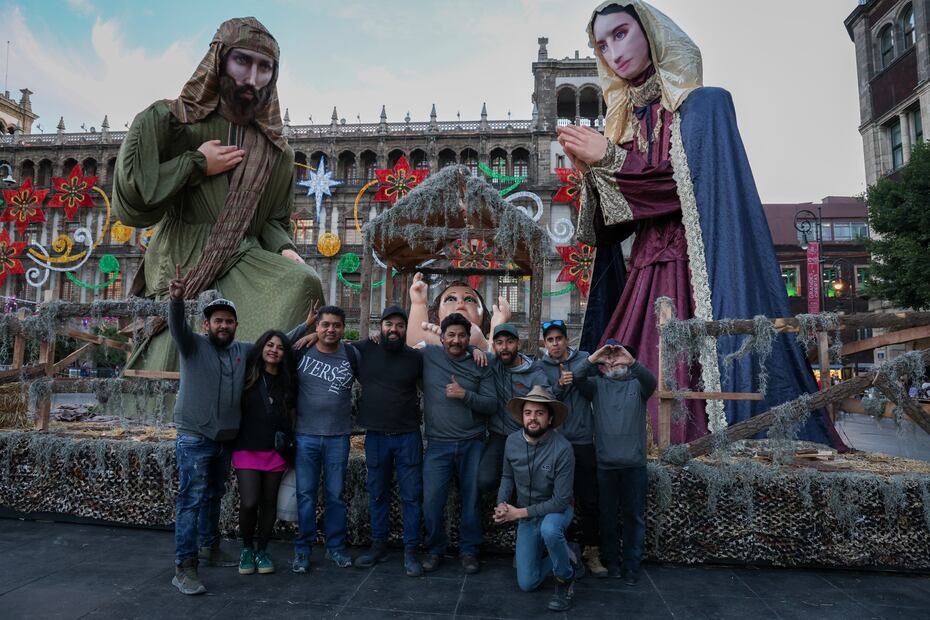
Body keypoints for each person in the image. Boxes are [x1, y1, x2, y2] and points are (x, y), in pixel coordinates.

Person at [556, 2, 843, 448]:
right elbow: (611, 229)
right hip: (645, 274)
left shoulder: (704, 106)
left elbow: (683, 186)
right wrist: (593, 173)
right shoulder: (625, 127)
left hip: (698, 270)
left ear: (651, 32)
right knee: (629, 371)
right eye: (602, 45)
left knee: (688, 373)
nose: (613, 52)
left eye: (621, 33)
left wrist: (609, 160)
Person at [113, 17, 323, 372]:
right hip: (184, 250)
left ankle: (255, 385)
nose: (252, 78)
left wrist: (284, 247)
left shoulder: (276, 151)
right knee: (179, 334)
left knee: (305, 282)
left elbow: (272, 219)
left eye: (264, 68)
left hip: (244, 253)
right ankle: (165, 397)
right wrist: (195, 164)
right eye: (243, 61)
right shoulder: (170, 121)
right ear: (218, 60)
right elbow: (134, 200)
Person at [168, 266, 246, 595]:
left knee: (215, 494)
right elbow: (177, 326)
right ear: (206, 325)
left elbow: (274, 344)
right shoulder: (192, 346)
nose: (223, 325)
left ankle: (210, 547)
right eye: (218, 321)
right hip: (194, 438)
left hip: (225, 440)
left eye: (228, 321)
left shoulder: (242, 351)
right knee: (191, 500)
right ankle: (184, 568)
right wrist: (176, 300)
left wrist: (306, 330)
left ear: (236, 325)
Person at [420, 312, 497, 574]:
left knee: (471, 500)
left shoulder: (481, 362)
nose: (456, 340)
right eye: (451, 335)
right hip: (438, 444)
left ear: (468, 338)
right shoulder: (428, 356)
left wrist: (465, 395)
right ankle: (435, 549)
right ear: (441, 337)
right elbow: (398, 349)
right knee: (432, 501)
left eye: (462, 336)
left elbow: (491, 404)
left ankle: (469, 551)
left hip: (472, 442)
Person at [352, 306, 426, 577]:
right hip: (376, 437)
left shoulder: (415, 357)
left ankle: (411, 551)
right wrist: (311, 334)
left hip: (408, 436)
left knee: (411, 497)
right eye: (388, 324)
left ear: (405, 329)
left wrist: (477, 350)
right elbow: (332, 343)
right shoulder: (364, 350)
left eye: (399, 325)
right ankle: (378, 546)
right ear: (380, 326)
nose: (393, 329)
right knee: (377, 493)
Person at [494, 386, 580, 612]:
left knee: (549, 530)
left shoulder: (563, 448)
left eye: (539, 413)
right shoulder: (512, 441)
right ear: (522, 416)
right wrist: (502, 504)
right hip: (527, 512)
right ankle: (567, 554)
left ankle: (565, 577)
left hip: (556, 511)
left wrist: (518, 513)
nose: (533, 418)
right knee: (527, 583)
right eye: (528, 413)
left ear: (550, 418)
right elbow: (507, 477)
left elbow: (560, 501)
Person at [577, 340, 656, 584]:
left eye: (618, 358)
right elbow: (577, 377)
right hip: (606, 465)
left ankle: (631, 566)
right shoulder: (597, 385)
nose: (614, 363)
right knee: (607, 517)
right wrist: (595, 358)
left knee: (634, 517)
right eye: (609, 359)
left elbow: (651, 381)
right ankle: (611, 561)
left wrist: (631, 361)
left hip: (634, 466)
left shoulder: (638, 385)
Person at [537, 319, 607, 578]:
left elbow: (594, 392)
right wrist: (560, 384)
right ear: (545, 343)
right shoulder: (541, 367)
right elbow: (545, 402)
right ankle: (562, 549)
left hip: (583, 441)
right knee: (557, 499)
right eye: (550, 340)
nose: (555, 344)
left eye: (559, 339)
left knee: (589, 498)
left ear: (567, 340)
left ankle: (592, 550)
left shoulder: (585, 359)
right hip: (555, 444)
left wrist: (576, 377)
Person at [292, 305, 357, 573]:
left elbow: (378, 350)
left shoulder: (352, 354)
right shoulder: (301, 350)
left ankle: (335, 547)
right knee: (305, 495)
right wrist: (304, 330)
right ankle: (303, 550)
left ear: (343, 328)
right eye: (325, 325)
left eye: (336, 325)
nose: (331, 329)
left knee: (335, 495)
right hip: (305, 436)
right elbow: (271, 344)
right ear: (317, 326)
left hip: (338, 437)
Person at [231, 329, 297, 576]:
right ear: (261, 347)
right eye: (270, 345)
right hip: (247, 447)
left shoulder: (288, 380)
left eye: (280, 347)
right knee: (250, 502)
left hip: (275, 450)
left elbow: (292, 414)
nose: (274, 350)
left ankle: (262, 550)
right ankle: (247, 548)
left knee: (269, 502)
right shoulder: (247, 374)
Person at [478, 323, 552, 494]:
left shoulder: (535, 373)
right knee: (484, 480)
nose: (504, 347)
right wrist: (473, 349)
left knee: (529, 485)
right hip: (498, 434)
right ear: (494, 346)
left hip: (526, 436)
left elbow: (548, 402)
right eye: (499, 342)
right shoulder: (492, 363)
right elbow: (463, 349)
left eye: (510, 342)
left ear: (518, 344)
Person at [406, 272, 510, 352]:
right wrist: (418, 304)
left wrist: (497, 327)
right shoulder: (428, 344)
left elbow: (495, 361)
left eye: (469, 300)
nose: (460, 303)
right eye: (451, 299)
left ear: (483, 314)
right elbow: (415, 346)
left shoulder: (487, 344)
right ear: (437, 313)